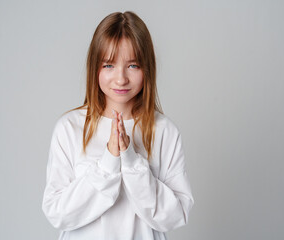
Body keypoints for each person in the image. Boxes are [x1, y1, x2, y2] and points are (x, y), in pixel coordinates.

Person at [42, 11, 194, 240]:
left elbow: (176, 214)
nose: (121, 78)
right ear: (95, 67)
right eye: (109, 65)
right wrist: (108, 161)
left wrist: (131, 161)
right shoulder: (70, 128)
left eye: (133, 65)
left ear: (147, 69)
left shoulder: (164, 131)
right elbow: (57, 213)